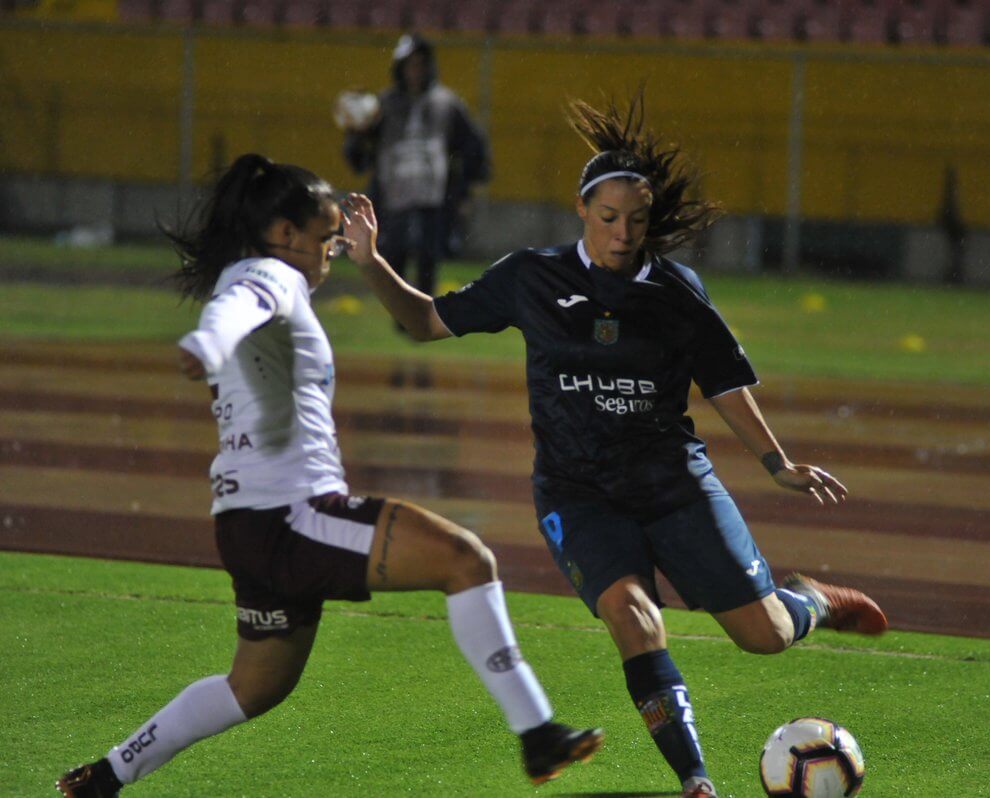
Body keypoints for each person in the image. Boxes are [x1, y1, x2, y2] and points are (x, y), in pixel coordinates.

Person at [344, 92, 889, 798]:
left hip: (674, 486)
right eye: (608, 218)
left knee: (764, 635)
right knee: (634, 619)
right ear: (581, 210)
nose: (622, 232)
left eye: (636, 220)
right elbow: (423, 323)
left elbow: (722, 381)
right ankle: (695, 780)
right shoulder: (530, 277)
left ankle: (810, 598)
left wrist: (776, 462)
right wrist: (368, 260)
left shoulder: (676, 292)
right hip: (578, 494)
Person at [54, 153, 601, 797]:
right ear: (285, 235)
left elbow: (237, 306)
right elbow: (234, 309)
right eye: (324, 237)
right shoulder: (271, 275)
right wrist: (205, 345)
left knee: (253, 688)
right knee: (466, 560)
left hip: (248, 523)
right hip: (292, 516)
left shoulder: (260, 276)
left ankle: (109, 774)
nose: (330, 251)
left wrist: (366, 261)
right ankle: (538, 734)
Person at [340, 32, 490, 298]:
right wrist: (356, 133)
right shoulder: (382, 105)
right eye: (410, 65)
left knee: (428, 254)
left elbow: (472, 146)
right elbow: (360, 154)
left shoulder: (446, 103)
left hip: (432, 194)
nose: (415, 72)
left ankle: (424, 307)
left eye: (420, 65)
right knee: (392, 250)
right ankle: (399, 305)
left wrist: (465, 188)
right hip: (392, 192)